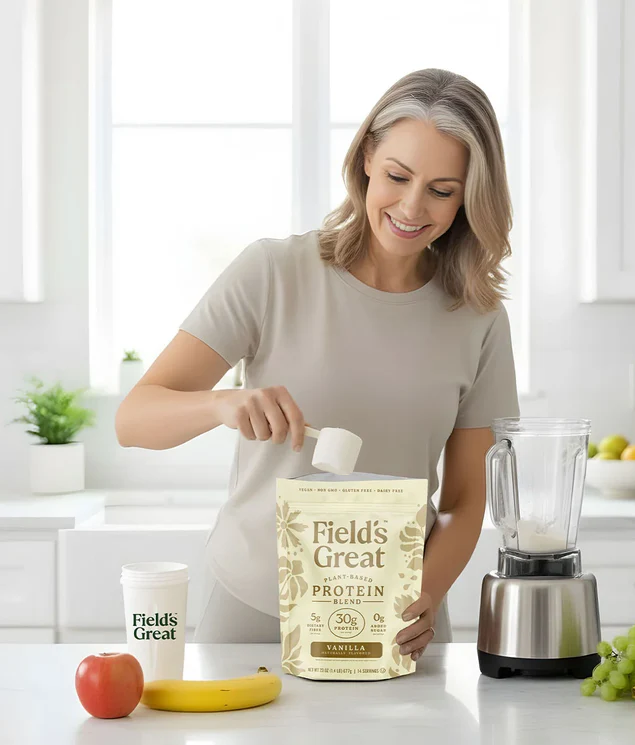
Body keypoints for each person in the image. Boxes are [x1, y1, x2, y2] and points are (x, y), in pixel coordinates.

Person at [115, 68, 519, 662]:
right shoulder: (273, 273)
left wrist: (426, 594)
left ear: (469, 197)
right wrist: (223, 403)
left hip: (399, 616)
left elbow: (462, 499)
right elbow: (134, 419)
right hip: (255, 609)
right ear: (365, 162)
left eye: (441, 189)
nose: (411, 207)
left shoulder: (477, 316)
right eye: (397, 176)